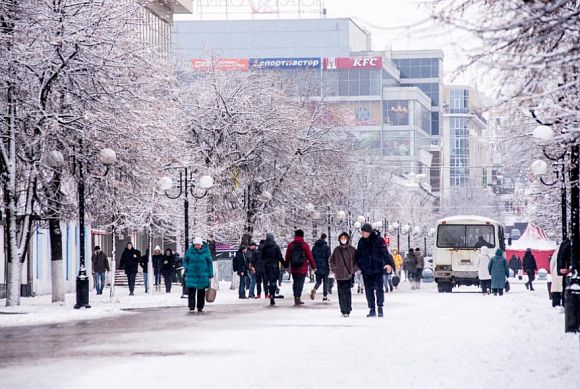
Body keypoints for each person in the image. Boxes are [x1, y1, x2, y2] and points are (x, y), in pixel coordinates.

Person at [356, 224, 394, 317]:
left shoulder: (379, 240)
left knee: (379, 289)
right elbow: (358, 255)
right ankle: (372, 309)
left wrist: (388, 263)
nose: (362, 234)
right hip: (366, 270)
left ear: (368, 232)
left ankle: (380, 307)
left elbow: (385, 253)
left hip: (377, 269)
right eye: (362, 232)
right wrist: (361, 265)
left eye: (364, 232)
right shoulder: (361, 241)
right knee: (368, 290)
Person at [329, 232, 358, 317]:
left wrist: (353, 270)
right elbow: (331, 260)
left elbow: (357, 261)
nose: (343, 240)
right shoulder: (337, 250)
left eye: (345, 238)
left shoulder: (352, 250)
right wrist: (334, 269)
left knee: (347, 292)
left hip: (348, 275)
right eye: (342, 238)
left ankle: (347, 309)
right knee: (341, 293)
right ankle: (343, 310)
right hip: (339, 276)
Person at [285, 229, 316, 306]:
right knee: (300, 283)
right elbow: (310, 257)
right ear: (302, 235)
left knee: (295, 282)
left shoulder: (290, 245)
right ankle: (298, 297)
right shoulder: (305, 245)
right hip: (302, 268)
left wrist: (286, 264)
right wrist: (313, 266)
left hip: (294, 267)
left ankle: (296, 297)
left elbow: (287, 256)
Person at [183, 237, 214, 312]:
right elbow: (185, 260)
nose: (197, 246)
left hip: (202, 274)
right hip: (191, 274)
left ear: (201, 245)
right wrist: (186, 268)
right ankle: (191, 306)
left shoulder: (206, 251)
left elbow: (210, 262)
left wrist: (210, 272)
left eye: (198, 245)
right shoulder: (189, 251)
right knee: (191, 291)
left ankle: (200, 307)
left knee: (201, 291)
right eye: (196, 245)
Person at [261, 233, 285, 306]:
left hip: (267, 266)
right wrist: (284, 264)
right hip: (274, 266)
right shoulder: (276, 247)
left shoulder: (264, 247)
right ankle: (272, 294)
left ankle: (269, 291)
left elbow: (262, 257)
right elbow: (280, 257)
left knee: (267, 280)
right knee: (273, 281)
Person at [310, 233, 331, 302]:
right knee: (325, 282)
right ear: (325, 238)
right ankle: (325, 296)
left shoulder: (314, 247)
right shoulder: (326, 247)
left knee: (318, 281)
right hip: (325, 266)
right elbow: (329, 256)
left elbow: (311, 256)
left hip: (317, 266)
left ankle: (314, 289)